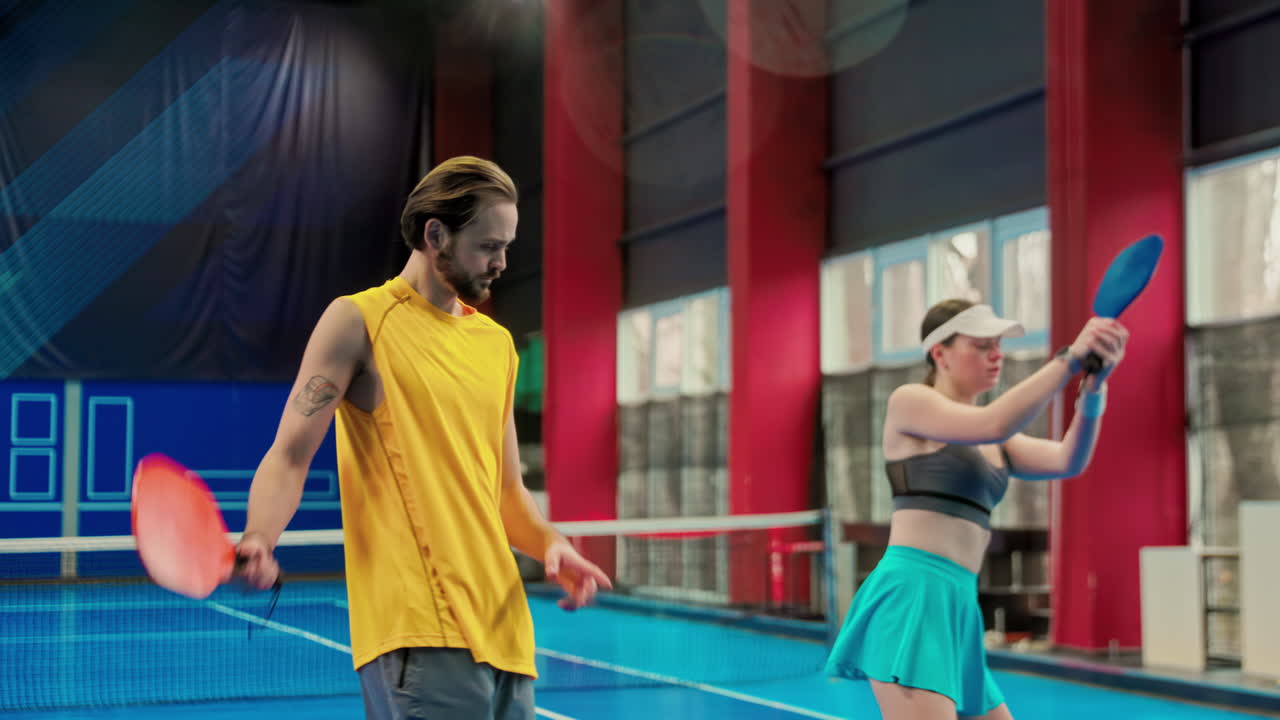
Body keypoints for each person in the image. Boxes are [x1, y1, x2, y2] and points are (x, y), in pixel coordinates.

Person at [235, 156, 612, 720]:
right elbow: (290, 455)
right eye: (488, 246)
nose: (503, 263)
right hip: (421, 629)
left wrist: (549, 545)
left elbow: (508, 490)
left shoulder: (497, 346)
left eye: (507, 246)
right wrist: (260, 537)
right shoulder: (359, 321)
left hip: (507, 632)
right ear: (436, 235)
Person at [824, 299, 1129, 719]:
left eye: (998, 345)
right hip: (914, 596)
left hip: (960, 605)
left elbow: (1067, 460)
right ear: (940, 353)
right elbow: (996, 421)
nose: (996, 354)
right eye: (981, 345)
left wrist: (1094, 389)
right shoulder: (910, 401)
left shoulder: (995, 439)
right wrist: (1069, 358)